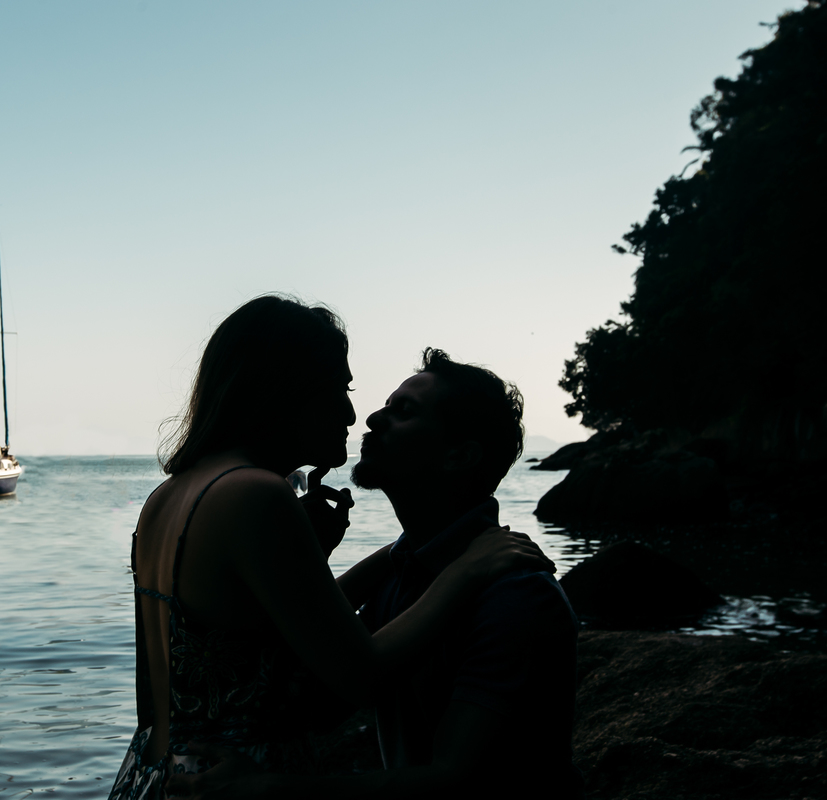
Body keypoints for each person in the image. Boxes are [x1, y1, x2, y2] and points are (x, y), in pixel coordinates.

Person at [108, 298, 553, 800]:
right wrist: (462, 571)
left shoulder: (167, 497)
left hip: (154, 774)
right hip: (234, 780)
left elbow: (236, 642)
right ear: (284, 392)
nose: (353, 413)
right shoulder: (256, 494)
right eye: (338, 389)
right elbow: (358, 673)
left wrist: (373, 556)